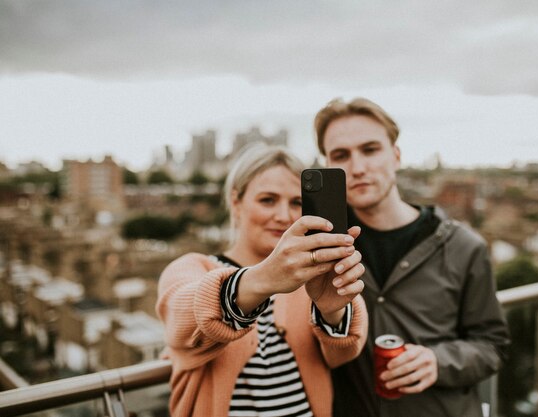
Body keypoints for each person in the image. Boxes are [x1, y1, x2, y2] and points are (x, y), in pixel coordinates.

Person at [314, 98, 510, 417]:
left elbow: (492, 345)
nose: (358, 167)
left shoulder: (462, 246)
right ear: (327, 167)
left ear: (396, 156)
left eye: (370, 149)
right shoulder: (324, 247)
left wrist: (439, 361)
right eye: (341, 155)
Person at [156, 144, 368, 417]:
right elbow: (183, 323)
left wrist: (332, 310)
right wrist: (264, 279)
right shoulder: (192, 267)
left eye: (297, 203)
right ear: (236, 202)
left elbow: (343, 354)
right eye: (267, 200)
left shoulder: (313, 278)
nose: (283, 216)